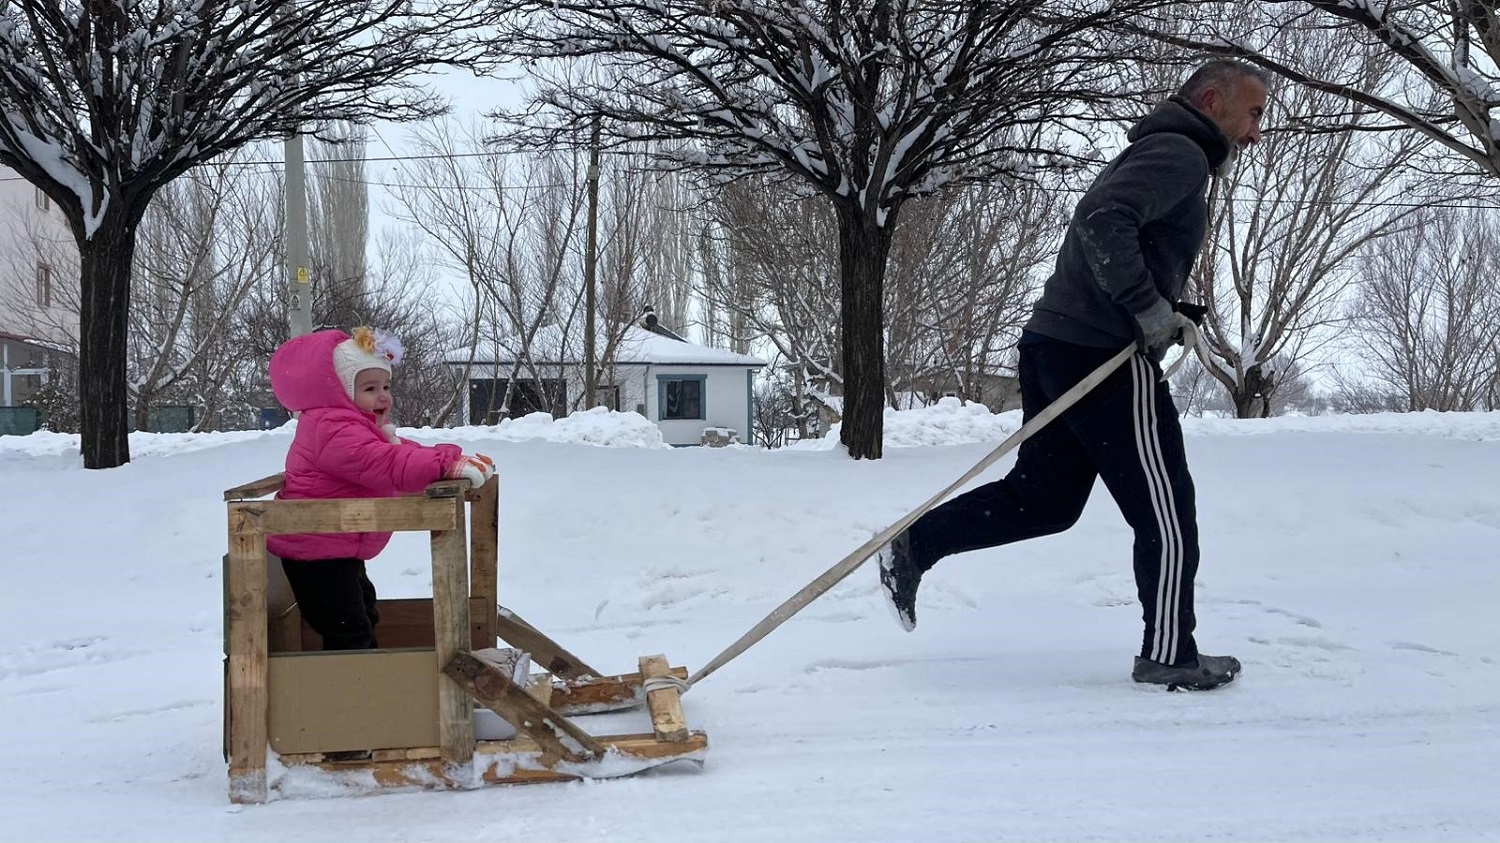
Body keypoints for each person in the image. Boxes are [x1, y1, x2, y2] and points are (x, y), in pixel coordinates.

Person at [877, 59, 1270, 691]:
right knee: (1167, 511)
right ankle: (1169, 653)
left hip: (1055, 344)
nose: (1255, 132)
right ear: (1212, 98)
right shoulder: (1181, 154)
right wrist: (1145, 309)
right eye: (1253, 113)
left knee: (1045, 498)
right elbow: (1101, 220)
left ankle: (913, 546)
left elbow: (1120, 236)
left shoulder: (1159, 148)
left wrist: (1163, 305)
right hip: (1101, 357)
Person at [267, 326, 496, 650]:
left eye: (386, 385)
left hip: (333, 548)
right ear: (341, 391)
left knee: (363, 616)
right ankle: (355, 692)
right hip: (314, 552)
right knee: (348, 628)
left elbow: (400, 449)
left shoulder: (356, 427)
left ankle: (364, 682)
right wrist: (441, 467)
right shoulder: (330, 429)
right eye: (370, 388)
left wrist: (449, 458)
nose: (383, 395)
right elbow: (383, 462)